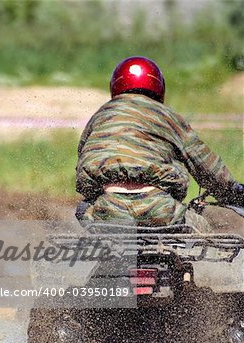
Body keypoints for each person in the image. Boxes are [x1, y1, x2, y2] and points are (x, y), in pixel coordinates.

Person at [75, 56, 243, 232]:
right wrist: (233, 192)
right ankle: (177, 260)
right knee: (201, 228)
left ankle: (107, 256)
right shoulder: (167, 116)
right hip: (161, 209)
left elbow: (83, 165)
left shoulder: (100, 116)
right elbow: (206, 165)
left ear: (115, 85)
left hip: (107, 210)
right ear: (158, 86)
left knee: (83, 209)